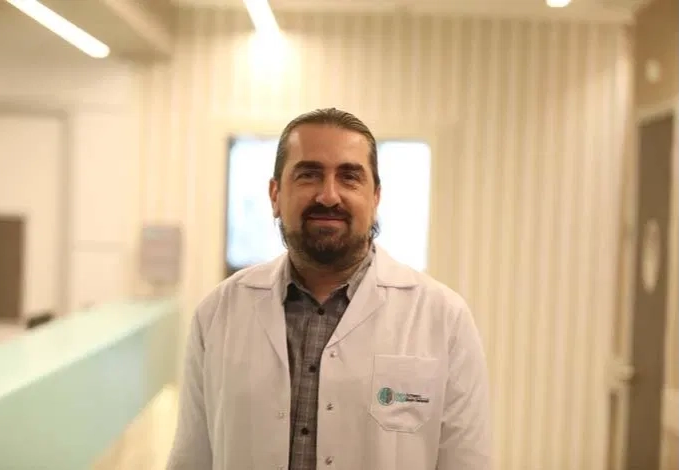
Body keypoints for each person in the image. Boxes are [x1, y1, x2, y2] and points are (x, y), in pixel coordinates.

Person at [166, 108, 491, 470]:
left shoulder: (444, 318)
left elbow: (468, 461)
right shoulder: (217, 313)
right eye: (309, 175)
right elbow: (191, 457)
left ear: (375, 198)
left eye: (349, 177)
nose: (329, 196)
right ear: (275, 194)